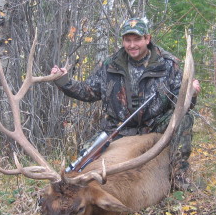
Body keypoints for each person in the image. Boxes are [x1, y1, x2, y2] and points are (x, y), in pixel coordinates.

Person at [51, 17, 200, 190]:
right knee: (83, 159)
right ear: (122, 41)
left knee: (183, 119)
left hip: (154, 125)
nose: (132, 45)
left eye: (137, 39)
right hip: (117, 129)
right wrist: (63, 81)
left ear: (147, 39)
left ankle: (178, 176)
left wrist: (191, 93)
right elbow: (88, 91)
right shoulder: (110, 65)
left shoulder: (167, 64)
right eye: (127, 40)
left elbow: (180, 102)